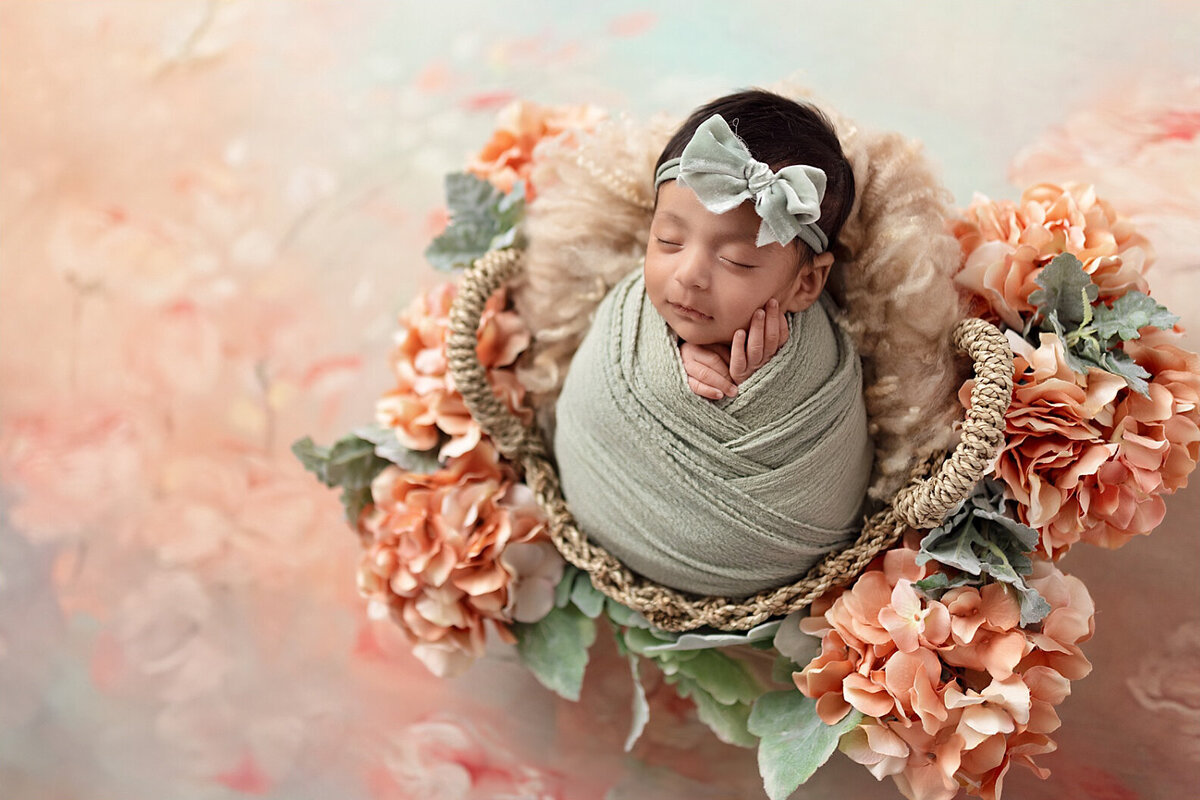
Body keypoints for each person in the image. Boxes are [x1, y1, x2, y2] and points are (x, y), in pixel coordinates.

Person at [552, 89, 873, 598]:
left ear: (805, 285)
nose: (690, 275)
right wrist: (668, 365)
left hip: (768, 557)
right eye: (669, 241)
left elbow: (831, 479)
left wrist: (765, 389)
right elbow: (596, 393)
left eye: (738, 261)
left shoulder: (821, 357)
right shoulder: (632, 317)